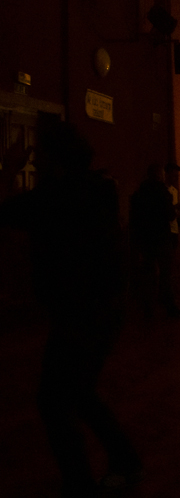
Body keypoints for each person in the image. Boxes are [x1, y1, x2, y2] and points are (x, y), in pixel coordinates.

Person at [0, 121, 143, 494]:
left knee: (53, 402)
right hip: (106, 307)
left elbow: (5, 212)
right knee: (79, 392)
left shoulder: (55, 196)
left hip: (80, 313)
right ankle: (126, 461)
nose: (35, 159)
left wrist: (9, 168)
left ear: (55, 159)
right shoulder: (95, 188)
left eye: (40, 153)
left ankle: (81, 484)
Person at [130, 163, 180, 318]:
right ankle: (169, 306)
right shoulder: (163, 192)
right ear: (161, 175)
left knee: (148, 272)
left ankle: (147, 307)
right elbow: (170, 215)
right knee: (166, 273)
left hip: (146, 239)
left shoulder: (140, 193)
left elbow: (135, 217)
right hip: (162, 237)